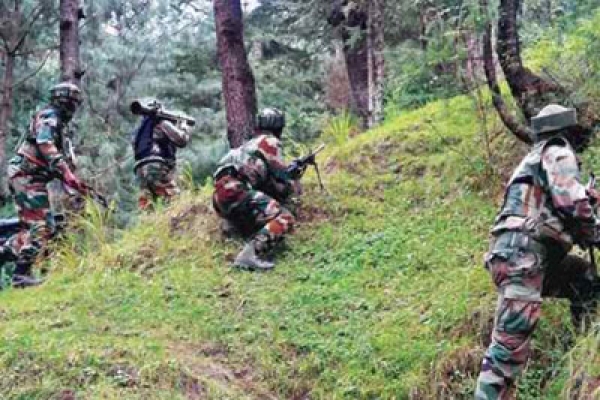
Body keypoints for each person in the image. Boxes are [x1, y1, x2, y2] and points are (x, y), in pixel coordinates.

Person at [475, 104, 600, 399]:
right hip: (524, 259)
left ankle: (580, 351)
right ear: (564, 131)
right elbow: (574, 204)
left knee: (585, 280)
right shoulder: (558, 151)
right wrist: (594, 228)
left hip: (525, 257)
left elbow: (555, 210)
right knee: (506, 352)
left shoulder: (535, 158)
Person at [0, 82, 88, 288]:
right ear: (66, 101)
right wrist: (65, 171)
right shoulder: (50, 117)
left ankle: (6, 252)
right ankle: (21, 275)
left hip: (32, 177)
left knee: (42, 226)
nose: (74, 107)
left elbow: (60, 160)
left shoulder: (58, 124)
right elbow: (45, 144)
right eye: (72, 102)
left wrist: (73, 183)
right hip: (27, 176)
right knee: (40, 226)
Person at [212, 108, 300, 270]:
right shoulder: (270, 142)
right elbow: (281, 183)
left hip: (220, 196)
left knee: (259, 207)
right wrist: (294, 178)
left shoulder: (248, 145)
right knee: (285, 217)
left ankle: (233, 230)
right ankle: (250, 254)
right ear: (279, 127)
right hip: (238, 191)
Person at [131, 100, 191, 210]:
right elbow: (182, 140)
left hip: (140, 171)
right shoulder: (162, 123)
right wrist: (183, 125)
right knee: (174, 200)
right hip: (156, 166)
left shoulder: (139, 131)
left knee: (147, 205)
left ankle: (150, 224)